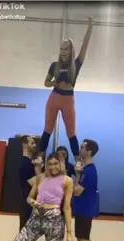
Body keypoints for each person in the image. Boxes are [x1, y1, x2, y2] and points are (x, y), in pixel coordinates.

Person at [2, 152, 74, 241]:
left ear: (61, 164)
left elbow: (67, 207)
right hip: (35, 219)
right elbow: (29, 197)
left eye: (56, 163)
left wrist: (69, 233)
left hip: (54, 222)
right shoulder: (41, 177)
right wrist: (32, 202)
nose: (53, 167)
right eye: (50, 164)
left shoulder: (67, 180)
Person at [39, 16, 94, 161]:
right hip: (54, 97)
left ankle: (77, 161)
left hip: (68, 99)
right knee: (47, 130)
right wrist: (54, 84)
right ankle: (40, 157)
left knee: (71, 132)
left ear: (71, 51)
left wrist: (90, 27)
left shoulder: (76, 64)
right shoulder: (54, 65)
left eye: (66, 49)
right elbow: (46, 82)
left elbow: (84, 45)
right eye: (61, 49)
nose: (63, 51)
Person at [71, 139, 99, 241]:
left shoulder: (89, 172)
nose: (80, 149)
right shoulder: (88, 169)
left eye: (82, 147)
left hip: (85, 210)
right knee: (85, 238)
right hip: (84, 209)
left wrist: (77, 175)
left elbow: (76, 192)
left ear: (89, 151)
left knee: (83, 240)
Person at [18, 136, 42, 241]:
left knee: (27, 232)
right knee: (25, 233)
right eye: (32, 143)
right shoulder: (26, 164)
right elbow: (36, 185)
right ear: (25, 145)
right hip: (26, 202)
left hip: (28, 202)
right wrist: (38, 169)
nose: (34, 145)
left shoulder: (27, 163)